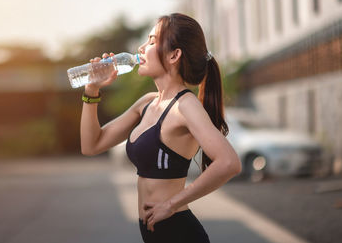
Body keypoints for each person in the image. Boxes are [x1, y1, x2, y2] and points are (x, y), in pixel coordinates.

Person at [80, 13, 242, 243]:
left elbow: (229, 163)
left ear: (175, 55)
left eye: (152, 41)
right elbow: (91, 145)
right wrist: (91, 91)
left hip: (178, 233)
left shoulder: (185, 105)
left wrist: (171, 204)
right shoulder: (146, 103)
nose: (141, 47)